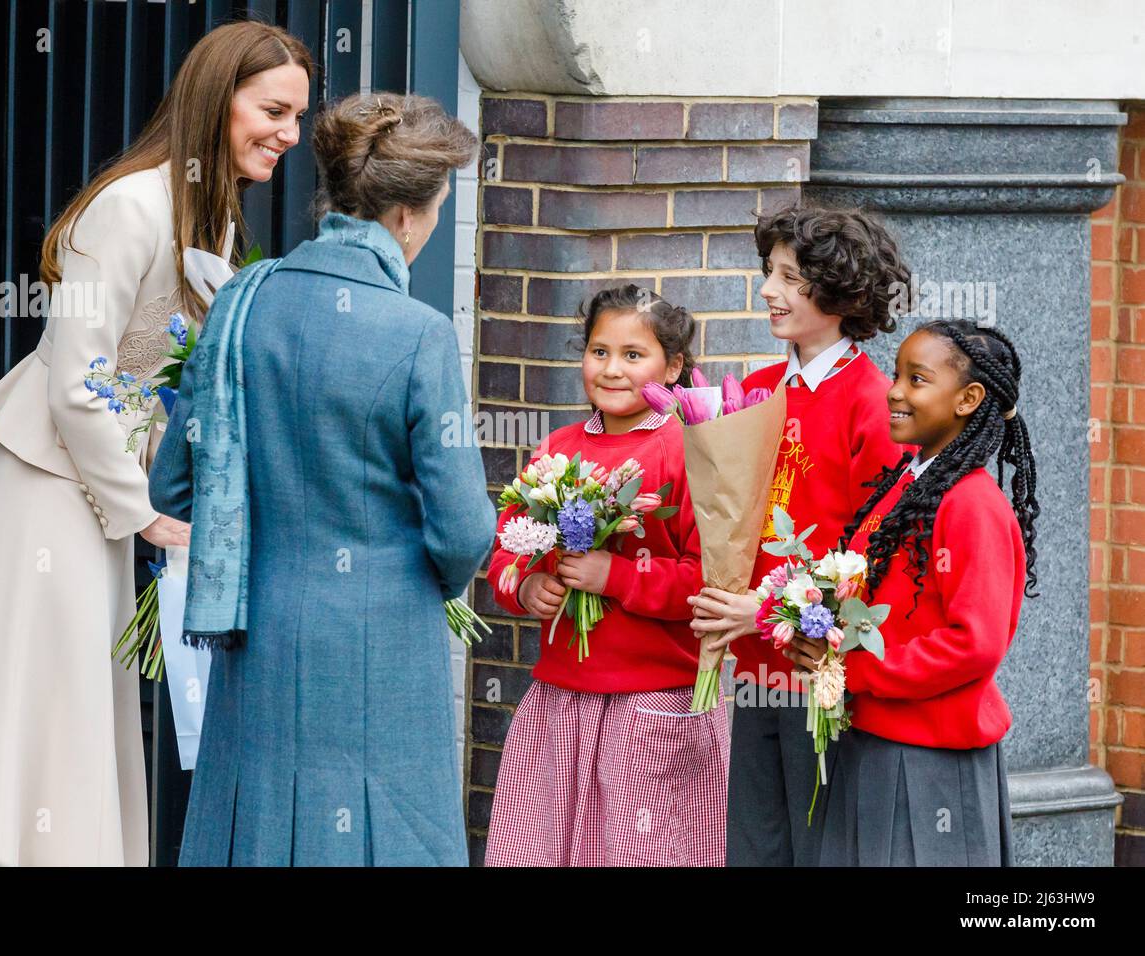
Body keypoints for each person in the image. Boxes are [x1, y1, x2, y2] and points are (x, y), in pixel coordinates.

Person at [0, 21, 313, 866]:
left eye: (297, 115)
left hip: (104, 493)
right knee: (45, 707)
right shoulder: (129, 205)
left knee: (87, 708)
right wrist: (142, 511)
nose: (290, 133)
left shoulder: (210, 214)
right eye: (274, 110)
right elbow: (78, 378)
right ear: (219, 101)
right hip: (47, 489)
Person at [148, 91, 492, 866]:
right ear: (406, 215)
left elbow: (174, 488)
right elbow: (466, 531)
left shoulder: (243, 301)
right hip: (383, 644)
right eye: (437, 209)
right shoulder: (418, 335)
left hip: (255, 633)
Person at [688, 204, 910, 866]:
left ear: (839, 291)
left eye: (789, 277)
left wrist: (766, 610)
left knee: (820, 850)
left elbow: (878, 554)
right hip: (753, 674)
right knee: (754, 848)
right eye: (768, 273)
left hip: (822, 679)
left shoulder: (872, 404)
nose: (767, 290)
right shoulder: (756, 391)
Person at [484, 285, 728, 866]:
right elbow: (506, 550)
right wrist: (524, 586)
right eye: (598, 352)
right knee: (543, 847)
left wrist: (614, 575)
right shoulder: (557, 448)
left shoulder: (690, 450)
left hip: (653, 702)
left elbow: (710, 582)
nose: (612, 369)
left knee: (642, 851)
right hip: (560, 698)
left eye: (633, 355)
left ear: (672, 367)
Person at [783, 319, 1038, 866]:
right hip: (872, 738)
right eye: (896, 374)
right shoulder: (904, 484)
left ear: (968, 399)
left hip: (930, 758)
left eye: (916, 379)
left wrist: (858, 670)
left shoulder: (973, 505)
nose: (894, 390)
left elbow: (974, 644)